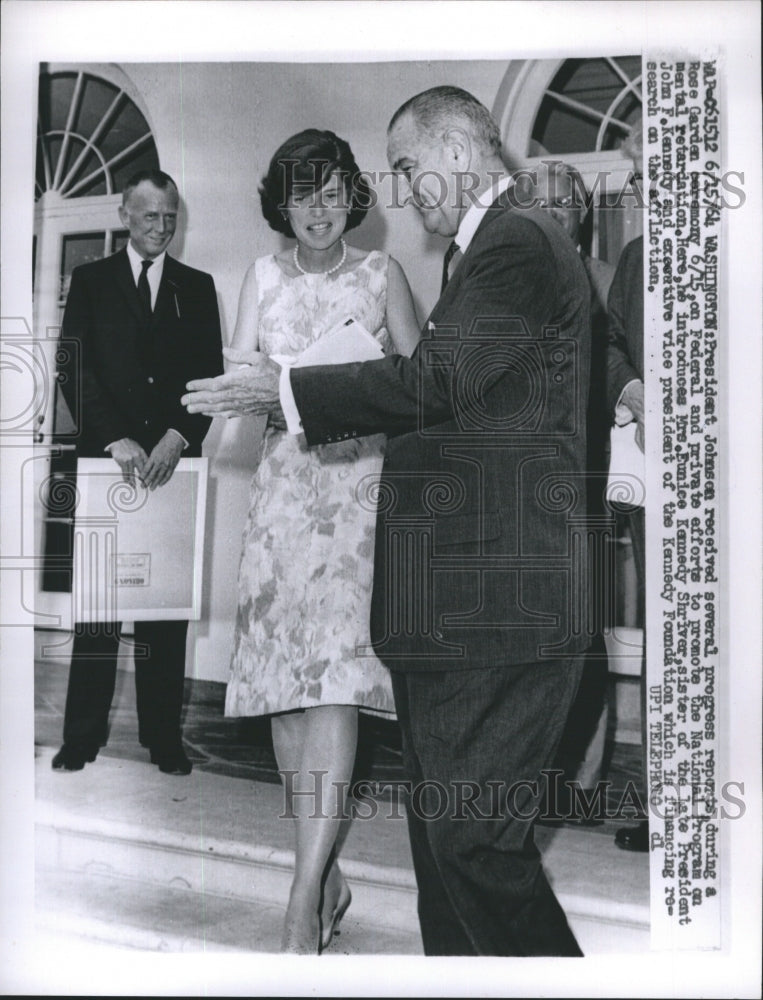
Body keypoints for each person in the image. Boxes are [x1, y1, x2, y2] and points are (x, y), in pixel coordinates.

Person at [184, 87, 591, 956]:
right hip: (459, 590)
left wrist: (288, 388)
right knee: (449, 855)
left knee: (474, 851)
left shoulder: (515, 242)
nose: (404, 191)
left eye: (406, 167)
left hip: (497, 593)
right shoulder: (487, 249)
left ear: (452, 146)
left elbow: (430, 385)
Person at [223, 129, 420, 953]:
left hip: (354, 501)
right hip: (279, 497)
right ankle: (327, 873)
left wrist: (353, 389)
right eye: (303, 193)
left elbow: (421, 389)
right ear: (281, 201)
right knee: (285, 693)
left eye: (334, 191)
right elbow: (236, 388)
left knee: (335, 685)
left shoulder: (383, 275)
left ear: (353, 198)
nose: (319, 208)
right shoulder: (259, 277)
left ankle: (301, 897)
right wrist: (261, 395)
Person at [53, 169, 223, 776]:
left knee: (163, 612)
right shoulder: (91, 280)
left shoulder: (197, 288)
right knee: (98, 611)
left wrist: (178, 440)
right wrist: (113, 439)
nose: (162, 227)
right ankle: (81, 737)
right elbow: (72, 371)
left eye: (171, 217)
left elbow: (207, 380)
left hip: (171, 468)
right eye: (150, 216)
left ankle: (163, 739)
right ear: (126, 214)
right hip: (108, 467)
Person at [522, 161, 616, 822]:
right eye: (541, 205)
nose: (554, 213)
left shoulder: (606, 280)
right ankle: (528, 775)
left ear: (582, 215)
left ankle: (579, 780)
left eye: (565, 204)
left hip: (584, 474)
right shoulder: (509, 283)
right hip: (517, 477)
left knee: (582, 627)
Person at [605, 116, 649, 853]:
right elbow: (608, 342)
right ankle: (662, 806)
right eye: (637, 174)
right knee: (664, 647)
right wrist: (634, 384)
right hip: (653, 485)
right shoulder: (637, 256)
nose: (641, 185)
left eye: (649, 167)